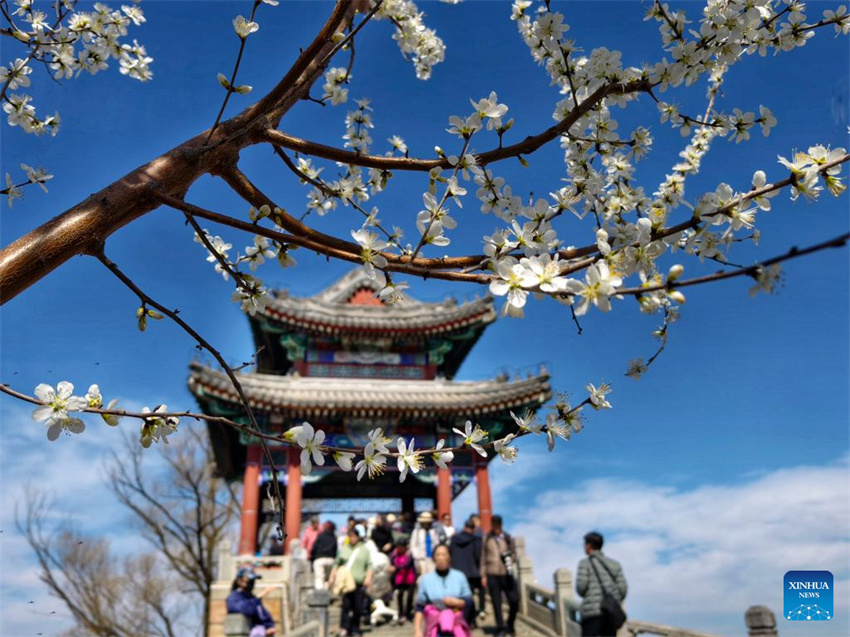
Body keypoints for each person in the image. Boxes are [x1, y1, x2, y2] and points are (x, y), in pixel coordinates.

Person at [413, 544, 472, 637]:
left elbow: (469, 601)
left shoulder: (460, 576)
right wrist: (417, 630)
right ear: (434, 558)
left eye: (444, 555)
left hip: (456, 627)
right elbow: (419, 607)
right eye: (438, 555)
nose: (441, 558)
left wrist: (458, 602)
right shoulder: (426, 580)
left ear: (449, 557)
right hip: (435, 628)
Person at [576, 532, 627, 637]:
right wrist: (614, 600)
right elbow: (623, 589)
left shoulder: (585, 564)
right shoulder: (615, 564)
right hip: (610, 613)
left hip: (591, 614)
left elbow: (581, 588)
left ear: (589, 546)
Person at [329, 527, 373, 637]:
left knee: (358, 607)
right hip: (346, 583)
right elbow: (336, 563)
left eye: (353, 536)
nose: (352, 538)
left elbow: (369, 566)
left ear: (358, 537)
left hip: (358, 582)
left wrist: (368, 578)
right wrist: (332, 576)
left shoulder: (364, 550)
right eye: (350, 536)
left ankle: (355, 628)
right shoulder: (344, 549)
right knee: (346, 606)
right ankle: (344, 627)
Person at [480, 515, 519, 637]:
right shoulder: (487, 539)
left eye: (498, 524)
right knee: (496, 602)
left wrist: (509, 558)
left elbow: (514, 553)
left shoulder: (507, 538)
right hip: (492, 573)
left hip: (506, 573)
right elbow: (483, 558)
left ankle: (510, 623)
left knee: (515, 600)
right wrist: (483, 575)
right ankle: (500, 628)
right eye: (494, 524)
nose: (496, 527)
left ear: (501, 525)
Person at [449, 517, 484, 626]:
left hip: (456, 572)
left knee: (460, 597)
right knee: (469, 597)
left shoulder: (454, 539)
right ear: (473, 529)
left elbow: (450, 552)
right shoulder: (475, 540)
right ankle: (469, 620)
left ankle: (464, 619)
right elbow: (478, 555)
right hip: (471, 573)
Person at [226, 567, 276, 636]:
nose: (251, 584)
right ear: (239, 581)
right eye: (248, 581)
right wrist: (259, 597)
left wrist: (269, 627)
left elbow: (263, 615)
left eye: (253, 581)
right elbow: (245, 609)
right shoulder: (234, 597)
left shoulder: (251, 597)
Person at [389, 537, 417, 624]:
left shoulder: (409, 554)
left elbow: (407, 564)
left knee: (410, 596)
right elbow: (390, 561)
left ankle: (408, 614)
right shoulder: (394, 554)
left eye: (401, 547)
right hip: (400, 579)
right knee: (399, 595)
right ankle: (401, 614)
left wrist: (396, 568)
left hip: (410, 577)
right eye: (398, 547)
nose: (400, 549)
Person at [411, 511, 444, 576]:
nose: (426, 524)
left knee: (433, 576)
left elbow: (437, 544)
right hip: (421, 559)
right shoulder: (416, 532)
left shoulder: (433, 531)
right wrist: (417, 557)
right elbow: (413, 545)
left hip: (432, 559)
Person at [312, 521, 338, 590]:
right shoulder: (334, 537)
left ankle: (320, 595)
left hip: (319, 559)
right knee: (328, 579)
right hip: (331, 560)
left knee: (319, 578)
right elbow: (335, 550)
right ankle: (327, 593)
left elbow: (314, 548)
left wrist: (312, 558)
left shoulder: (320, 536)